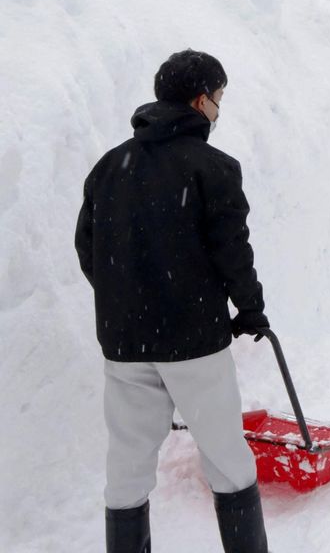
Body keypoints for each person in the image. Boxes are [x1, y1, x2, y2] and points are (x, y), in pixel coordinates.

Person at [75, 49, 270, 553]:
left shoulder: (108, 168)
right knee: (227, 459)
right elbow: (232, 250)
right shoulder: (214, 167)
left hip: (124, 343)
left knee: (127, 466)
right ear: (200, 100)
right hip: (193, 344)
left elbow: (88, 248)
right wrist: (248, 308)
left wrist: (127, 298)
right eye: (218, 99)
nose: (219, 111)